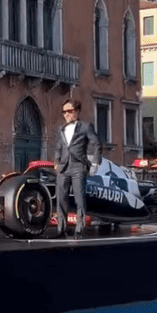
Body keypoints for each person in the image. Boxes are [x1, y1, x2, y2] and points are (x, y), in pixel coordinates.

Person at [53, 99, 101, 237]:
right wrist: (56, 161)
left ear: (77, 111)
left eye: (70, 111)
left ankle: (79, 229)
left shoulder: (85, 126)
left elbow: (96, 143)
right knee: (61, 199)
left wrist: (95, 163)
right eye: (64, 112)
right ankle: (61, 229)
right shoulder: (61, 128)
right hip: (63, 167)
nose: (66, 114)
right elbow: (59, 146)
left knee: (79, 199)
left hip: (78, 165)